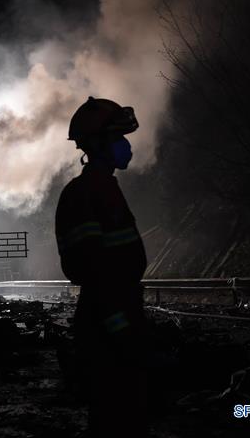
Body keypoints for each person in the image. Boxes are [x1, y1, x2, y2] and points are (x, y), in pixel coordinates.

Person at [55, 96, 149, 437]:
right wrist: (121, 328)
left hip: (115, 317)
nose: (125, 146)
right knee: (115, 418)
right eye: (117, 138)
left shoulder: (105, 188)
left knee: (128, 415)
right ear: (96, 144)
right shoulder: (84, 194)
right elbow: (93, 271)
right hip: (106, 325)